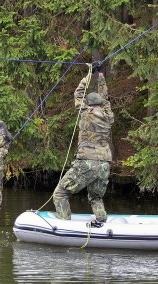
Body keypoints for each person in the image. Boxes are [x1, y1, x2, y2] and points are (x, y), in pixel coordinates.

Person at [53, 61, 114, 224]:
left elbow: (79, 93)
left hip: (87, 161)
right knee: (96, 197)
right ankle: (101, 220)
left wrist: (89, 74)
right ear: (101, 103)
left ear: (89, 103)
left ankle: (63, 222)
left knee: (60, 194)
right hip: (104, 164)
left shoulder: (86, 111)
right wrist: (100, 74)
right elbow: (105, 96)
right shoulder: (108, 114)